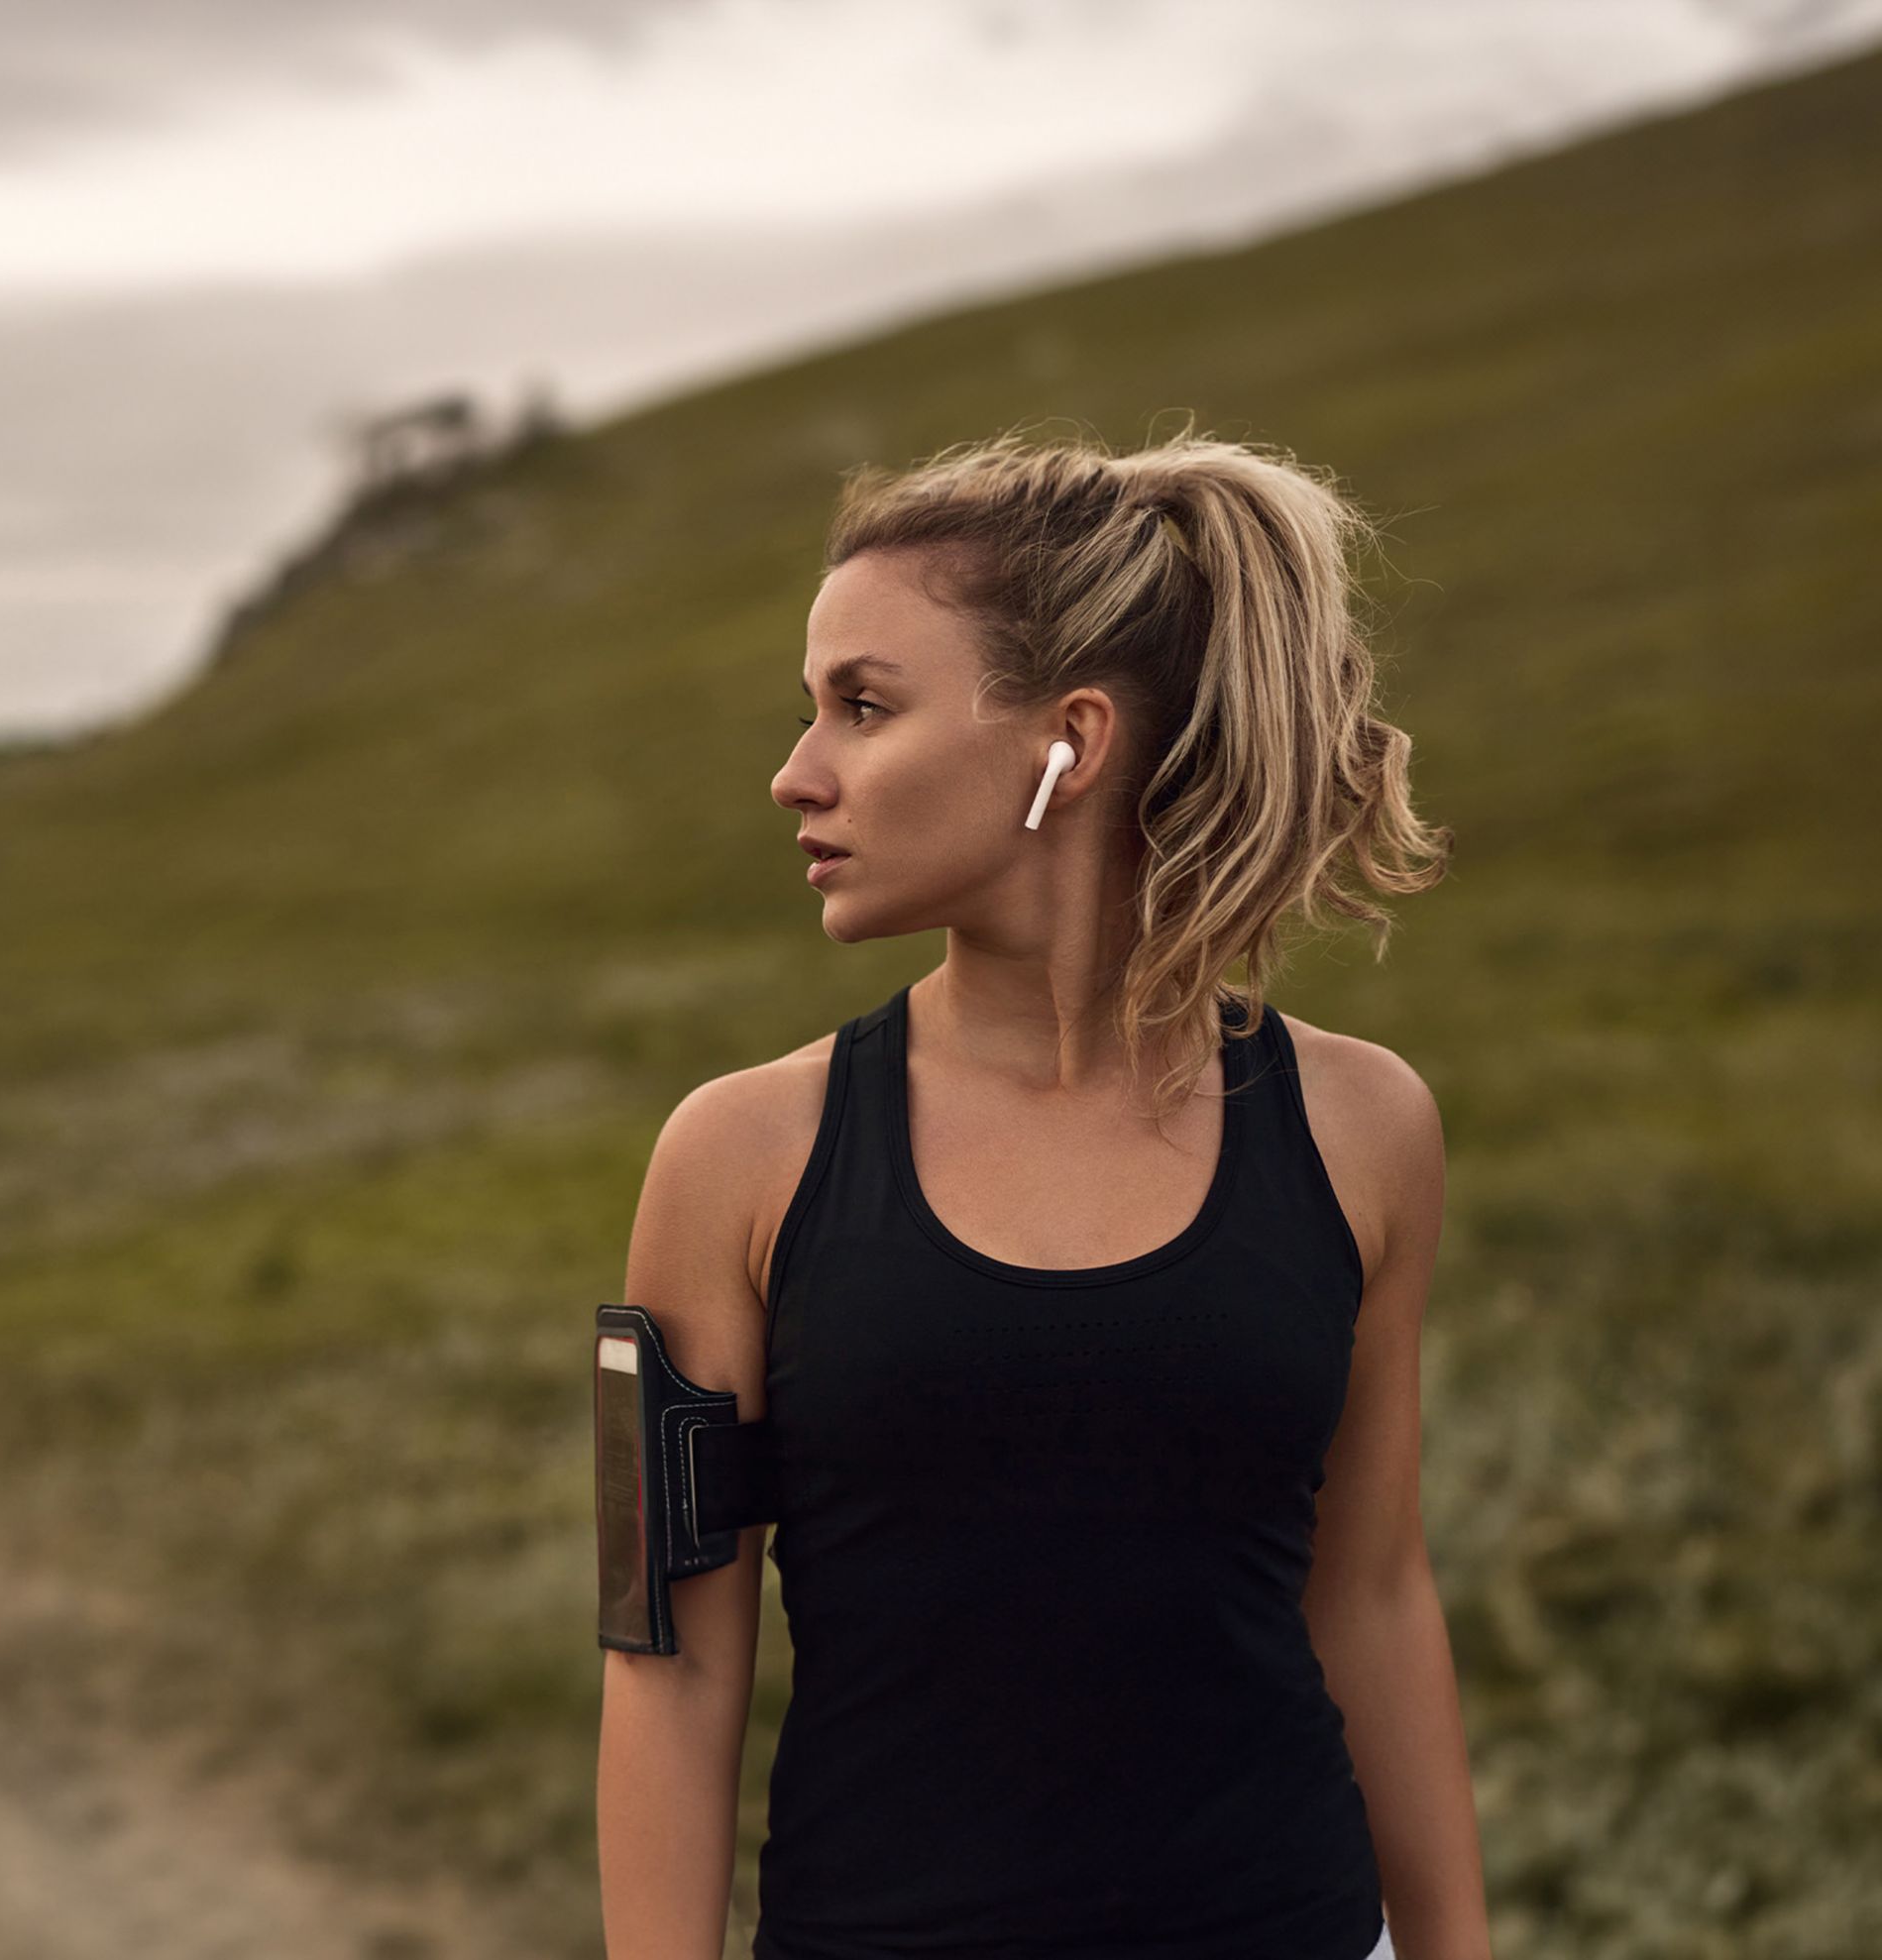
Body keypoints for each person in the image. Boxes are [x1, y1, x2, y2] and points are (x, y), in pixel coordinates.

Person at [598, 419, 1490, 1960]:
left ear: (1067, 742)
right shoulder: (737, 1159)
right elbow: (664, 1654)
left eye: (861, 707)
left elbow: (1377, 1596)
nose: (794, 772)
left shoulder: (1363, 1128)